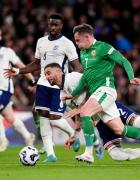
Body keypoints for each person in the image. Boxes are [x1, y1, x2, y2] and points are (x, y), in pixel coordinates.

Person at [61, 23, 140, 163]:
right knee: (119, 129)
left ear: (87, 37)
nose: (77, 44)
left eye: (78, 40)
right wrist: (72, 95)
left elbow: (123, 60)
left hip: (106, 90)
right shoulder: (84, 53)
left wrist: (131, 77)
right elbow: (85, 79)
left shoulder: (103, 47)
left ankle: (88, 153)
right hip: (96, 94)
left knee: (85, 112)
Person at [44, 62, 140, 164]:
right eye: (45, 75)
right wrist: (75, 135)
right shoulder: (63, 96)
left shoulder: (73, 77)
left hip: (105, 106)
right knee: (116, 155)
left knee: (136, 125)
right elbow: (79, 117)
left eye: (48, 73)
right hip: (98, 119)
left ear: (59, 71)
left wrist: (81, 108)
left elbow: (93, 87)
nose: (47, 77)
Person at [3, 13, 82, 162]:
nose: (53, 27)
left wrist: (71, 85)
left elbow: (77, 67)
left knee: (54, 118)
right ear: (48, 24)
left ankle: (73, 134)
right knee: (43, 117)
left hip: (59, 85)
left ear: (61, 26)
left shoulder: (67, 43)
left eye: (56, 25)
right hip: (42, 83)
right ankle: (51, 154)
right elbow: (36, 64)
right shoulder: (41, 42)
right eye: (51, 24)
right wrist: (19, 71)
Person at [0, 29, 35, 152]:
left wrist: (32, 79)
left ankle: (2, 140)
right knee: (9, 117)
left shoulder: (7, 52)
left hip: (4, 89)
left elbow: (21, 65)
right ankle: (27, 136)